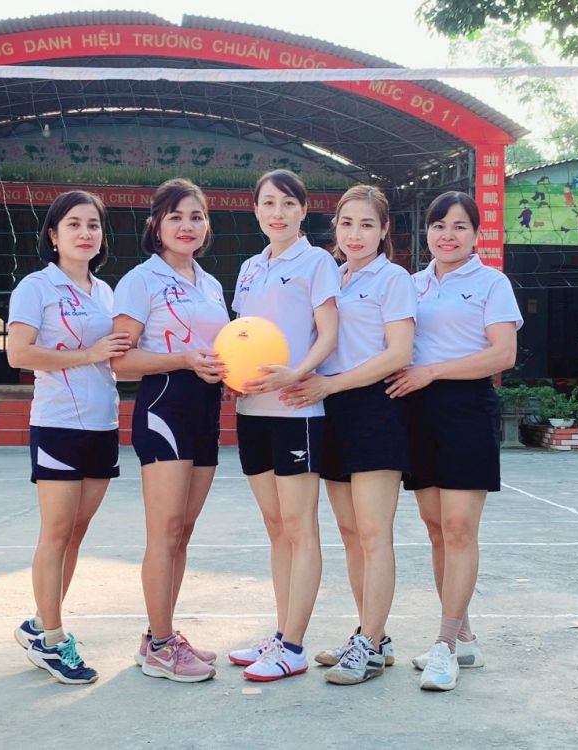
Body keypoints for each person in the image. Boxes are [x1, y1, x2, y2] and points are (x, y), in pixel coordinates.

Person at [385, 191, 522, 691]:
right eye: (440, 225)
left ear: (476, 235)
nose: (448, 235)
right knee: (436, 529)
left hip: (466, 409)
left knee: (460, 527)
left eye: (460, 226)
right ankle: (464, 639)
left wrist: (433, 372)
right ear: (427, 232)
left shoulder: (492, 283)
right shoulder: (411, 284)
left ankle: (444, 645)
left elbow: (503, 354)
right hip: (418, 412)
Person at [281, 185, 415, 685]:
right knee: (351, 534)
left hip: (374, 408)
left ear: (384, 231)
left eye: (366, 225)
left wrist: (330, 384)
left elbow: (399, 352)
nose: (355, 234)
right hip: (329, 409)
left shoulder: (393, 278)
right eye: (346, 223)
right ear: (334, 228)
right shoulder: (332, 276)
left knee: (375, 534)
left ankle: (369, 644)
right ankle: (372, 636)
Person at [7, 190, 131, 684]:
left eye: (93, 225)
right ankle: (54, 641)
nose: (85, 233)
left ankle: (41, 623)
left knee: (76, 532)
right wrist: (88, 354)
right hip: (58, 423)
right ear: (54, 235)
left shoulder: (107, 293)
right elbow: (19, 354)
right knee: (56, 532)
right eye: (74, 224)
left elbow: (117, 356)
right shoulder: (36, 287)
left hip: (102, 424)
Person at [112, 178, 229, 683]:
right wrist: (183, 360)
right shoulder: (141, 280)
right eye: (176, 216)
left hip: (205, 407)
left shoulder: (211, 284)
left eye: (197, 216)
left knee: (183, 530)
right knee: (164, 531)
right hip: (164, 406)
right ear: (156, 225)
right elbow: (120, 362)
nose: (187, 225)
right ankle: (161, 646)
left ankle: (160, 634)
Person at [226, 169, 340, 682]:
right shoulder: (249, 268)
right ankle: (280, 632)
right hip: (253, 412)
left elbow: (328, 335)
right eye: (269, 203)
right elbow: (241, 337)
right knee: (276, 529)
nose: (278, 213)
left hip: (297, 411)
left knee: (299, 528)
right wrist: (232, 378)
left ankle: (293, 645)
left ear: (303, 210)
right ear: (256, 210)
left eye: (288, 203)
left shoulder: (317, 263)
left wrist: (298, 373)